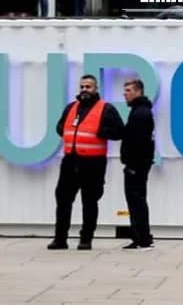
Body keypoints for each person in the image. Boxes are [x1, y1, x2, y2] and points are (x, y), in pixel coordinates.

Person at [49, 75, 125, 251]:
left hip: (93, 163)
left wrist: (101, 131)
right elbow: (60, 126)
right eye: (82, 86)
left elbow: (119, 131)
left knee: (89, 201)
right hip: (70, 160)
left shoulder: (106, 108)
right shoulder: (71, 108)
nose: (84, 90)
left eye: (88, 87)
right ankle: (60, 238)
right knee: (63, 199)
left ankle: (86, 239)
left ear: (96, 89)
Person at [120, 79, 156, 251]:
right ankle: (140, 237)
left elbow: (139, 142)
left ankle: (143, 238)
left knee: (136, 200)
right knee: (136, 200)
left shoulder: (140, 113)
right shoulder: (139, 111)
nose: (124, 93)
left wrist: (133, 165)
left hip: (137, 165)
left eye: (128, 90)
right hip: (139, 164)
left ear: (138, 91)